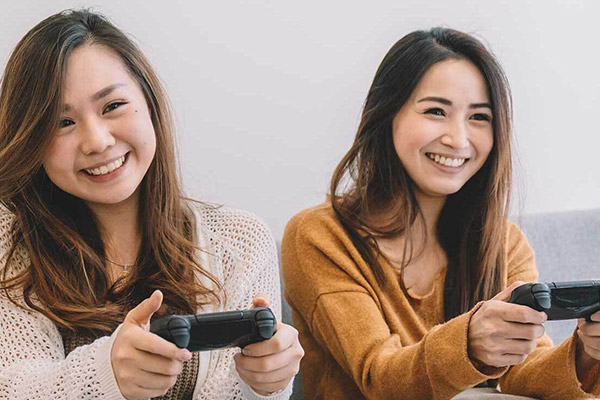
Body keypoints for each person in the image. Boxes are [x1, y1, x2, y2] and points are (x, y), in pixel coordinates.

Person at [281, 27, 600, 400]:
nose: (458, 139)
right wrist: (470, 344)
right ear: (388, 115)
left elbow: (522, 372)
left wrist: (585, 355)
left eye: (479, 117)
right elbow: (376, 376)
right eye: (436, 111)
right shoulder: (319, 236)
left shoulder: (504, 242)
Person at [0, 9, 303, 400]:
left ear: (149, 103)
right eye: (62, 123)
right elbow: (10, 385)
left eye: (112, 106)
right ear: (31, 141)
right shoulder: (9, 243)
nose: (97, 141)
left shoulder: (239, 239)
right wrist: (105, 374)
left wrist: (265, 382)